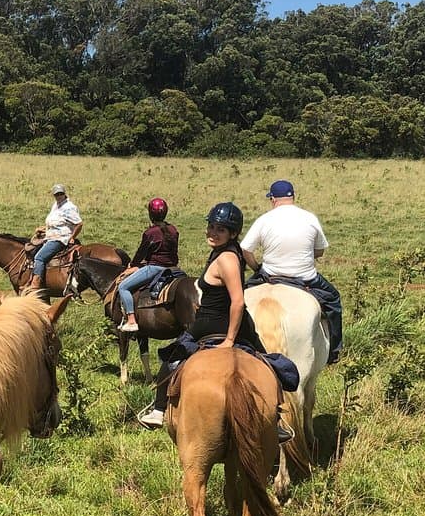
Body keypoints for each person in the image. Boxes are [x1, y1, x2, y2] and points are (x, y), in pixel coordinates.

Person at [137, 202, 269, 429]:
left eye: (221, 230)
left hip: (210, 324)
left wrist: (228, 340)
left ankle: (158, 411)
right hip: (235, 322)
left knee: (171, 360)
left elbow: (237, 301)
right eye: (211, 226)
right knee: (267, 364)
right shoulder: (230, 253)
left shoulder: (225, 259)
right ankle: (275, 417)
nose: (213, 233)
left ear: (233, 233)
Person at [241, 179, 342, 363]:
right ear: (293, 196)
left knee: (237, 299)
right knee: (333, 300)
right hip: (306, 279)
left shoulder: (264, 220)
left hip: (270, 276)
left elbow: (246, 250)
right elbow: (320, 251)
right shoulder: (309, 218)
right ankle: (334, 350)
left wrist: (257, 268)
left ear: (272, 199)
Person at [117, 197, 180, 333]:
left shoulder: (150, 233)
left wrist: (132, 265)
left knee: (123, 287)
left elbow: (141, 253)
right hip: (174, 268)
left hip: (154, 268)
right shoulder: (173, 230)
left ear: (150, 214)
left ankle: (131, 320)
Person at [30, 184, 82, 291]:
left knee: (39, 257)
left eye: (60, 194)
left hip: (60, 239)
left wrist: (72, 237)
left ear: (64, 194)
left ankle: (35, 284)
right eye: (56, 194)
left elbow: (79, 223)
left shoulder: (69, 207)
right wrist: (44, 229)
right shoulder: (56, 205)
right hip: (50, 236)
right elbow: (57, 223)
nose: (59, 196)